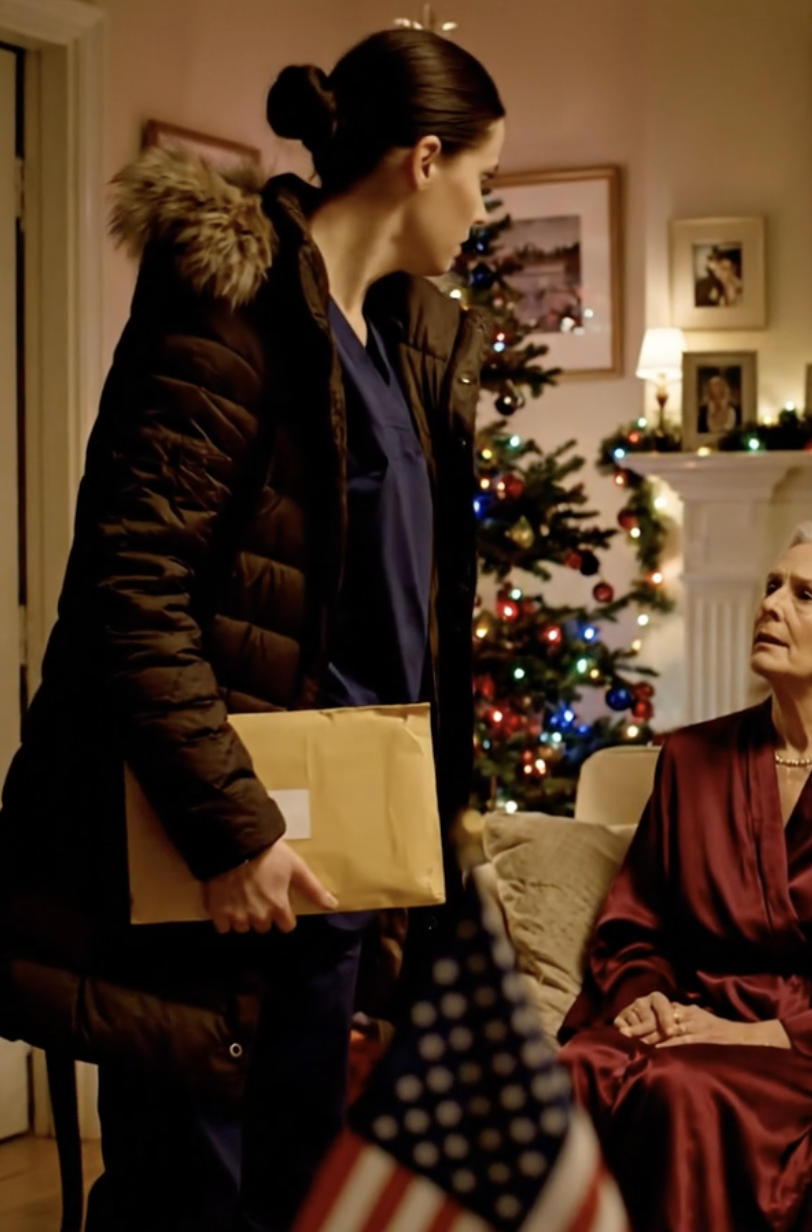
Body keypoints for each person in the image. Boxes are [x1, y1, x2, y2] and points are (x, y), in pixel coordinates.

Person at [0, 28, 504, 1232]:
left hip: (323, 870)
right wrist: (232, 831)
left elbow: (409, 612)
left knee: (291, 1194)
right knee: (191, 1196)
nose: (484, 208)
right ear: (422, 159)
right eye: (484, 176)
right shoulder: (231, 309)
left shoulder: (400, 341)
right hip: (216, 865)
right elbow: (132, 589)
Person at [558, 523, 812, 1232]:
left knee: (682, 1088)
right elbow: (635, 925)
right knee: (571, 1069)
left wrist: (747, 1037)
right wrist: (645, 997)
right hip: (694, 1018)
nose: (771, 604)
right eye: (772, 586)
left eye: (804, 595)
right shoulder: (692, 758)